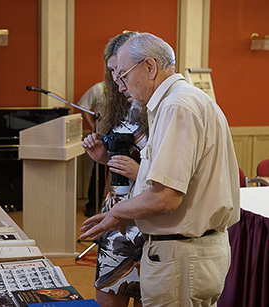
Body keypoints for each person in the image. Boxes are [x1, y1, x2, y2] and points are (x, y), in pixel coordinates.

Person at [80, 32, 240, 307]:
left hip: (181, 254)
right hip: (186, 252)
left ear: (150, 67)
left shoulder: (176, 106)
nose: (120, 87)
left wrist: (116, 214)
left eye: (123, 76)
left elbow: (165, 197)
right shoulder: (180, 101)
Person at [81, 31, 148, 307]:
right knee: (108, 295)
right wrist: (102, 157)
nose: (117, 80)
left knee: (147, 296)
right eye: (111, 72)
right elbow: (118, 160)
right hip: (116, 213)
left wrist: (139, 171)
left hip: (147, 216)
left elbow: (171, 169)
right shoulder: (119, 107)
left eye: (120, 72)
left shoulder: (159, 107)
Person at [77, 81, 107, 217]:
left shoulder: (125, 87)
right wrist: (91, 126)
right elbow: (83, 105)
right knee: (99, 174)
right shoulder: (98, 88)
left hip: (122, 135)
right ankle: (93, 205)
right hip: (102, 136)